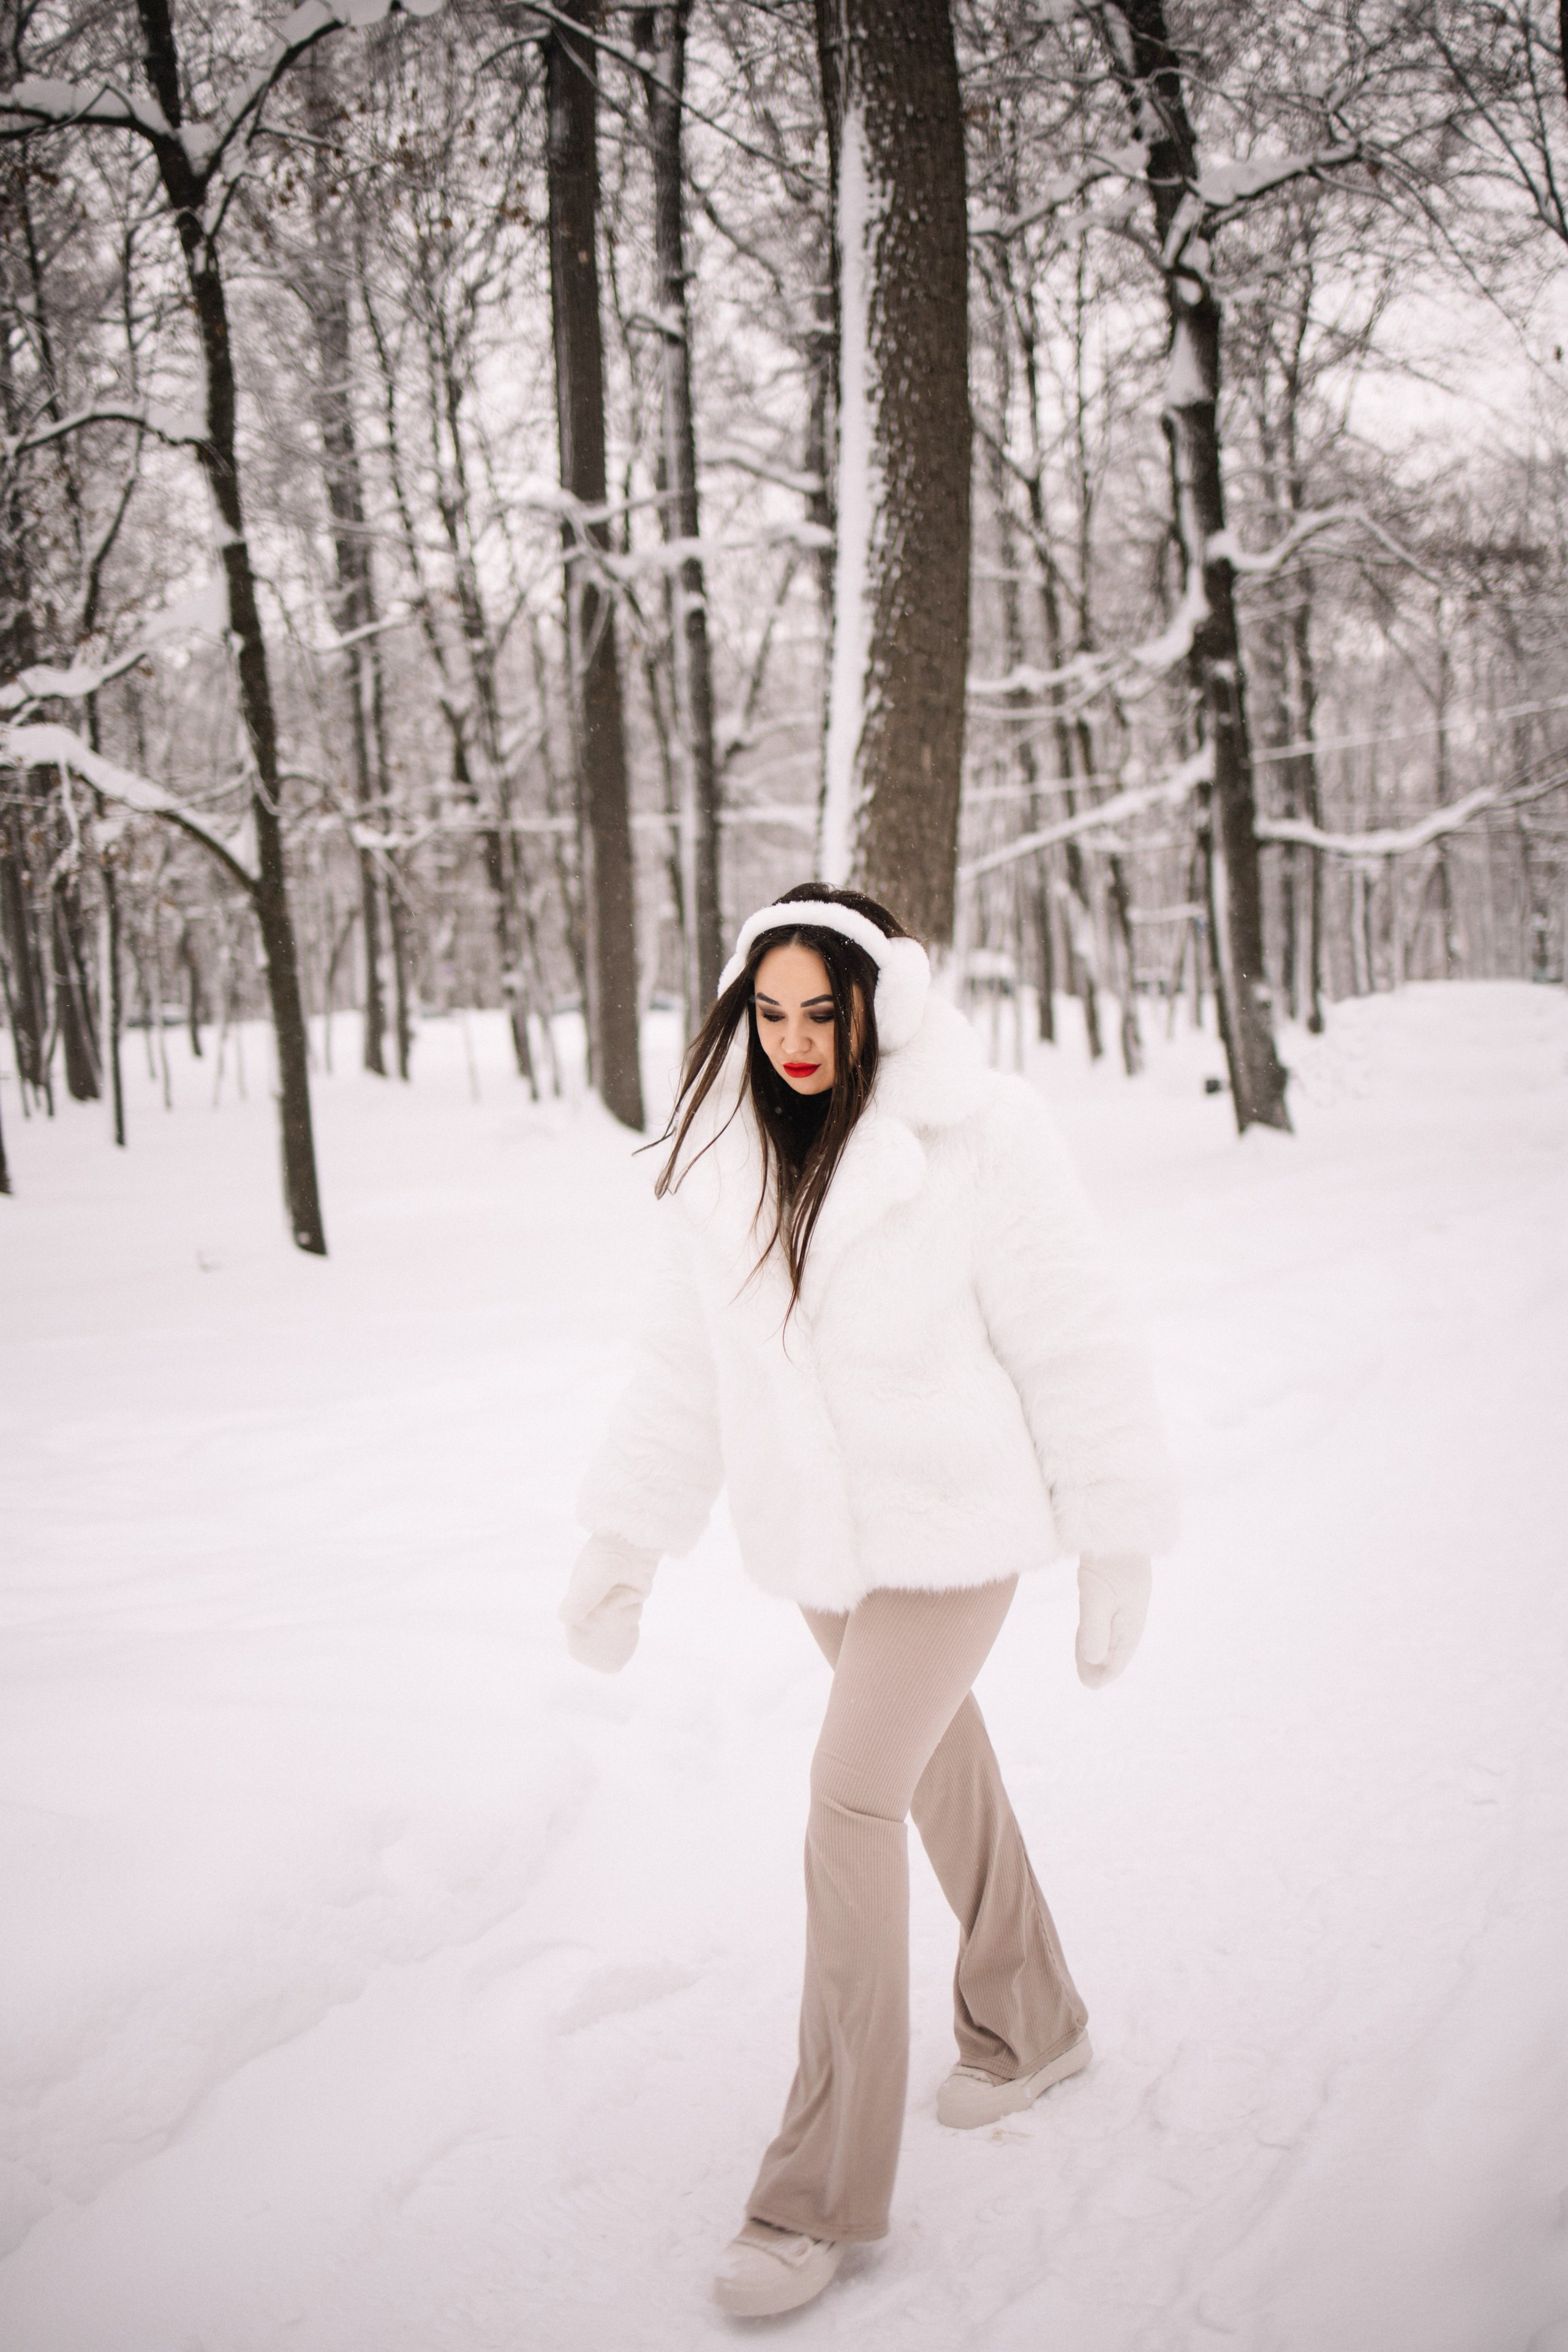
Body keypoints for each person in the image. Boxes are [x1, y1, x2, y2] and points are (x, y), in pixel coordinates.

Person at [559, 883, 1177, 2319]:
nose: (788, 1040)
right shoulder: (719, 1164)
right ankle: (1033, 2020)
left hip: (955, 1533)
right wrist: (623, 1544)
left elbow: (1072, 1333)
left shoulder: (977, 1136)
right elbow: (676, 1378)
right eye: (765, 1012)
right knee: (933, 1769)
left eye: (816, 1012)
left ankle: (813, 2198)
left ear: (874, 1003)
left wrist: (1114, 1540)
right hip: (824, 1552)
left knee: (848, 1800)